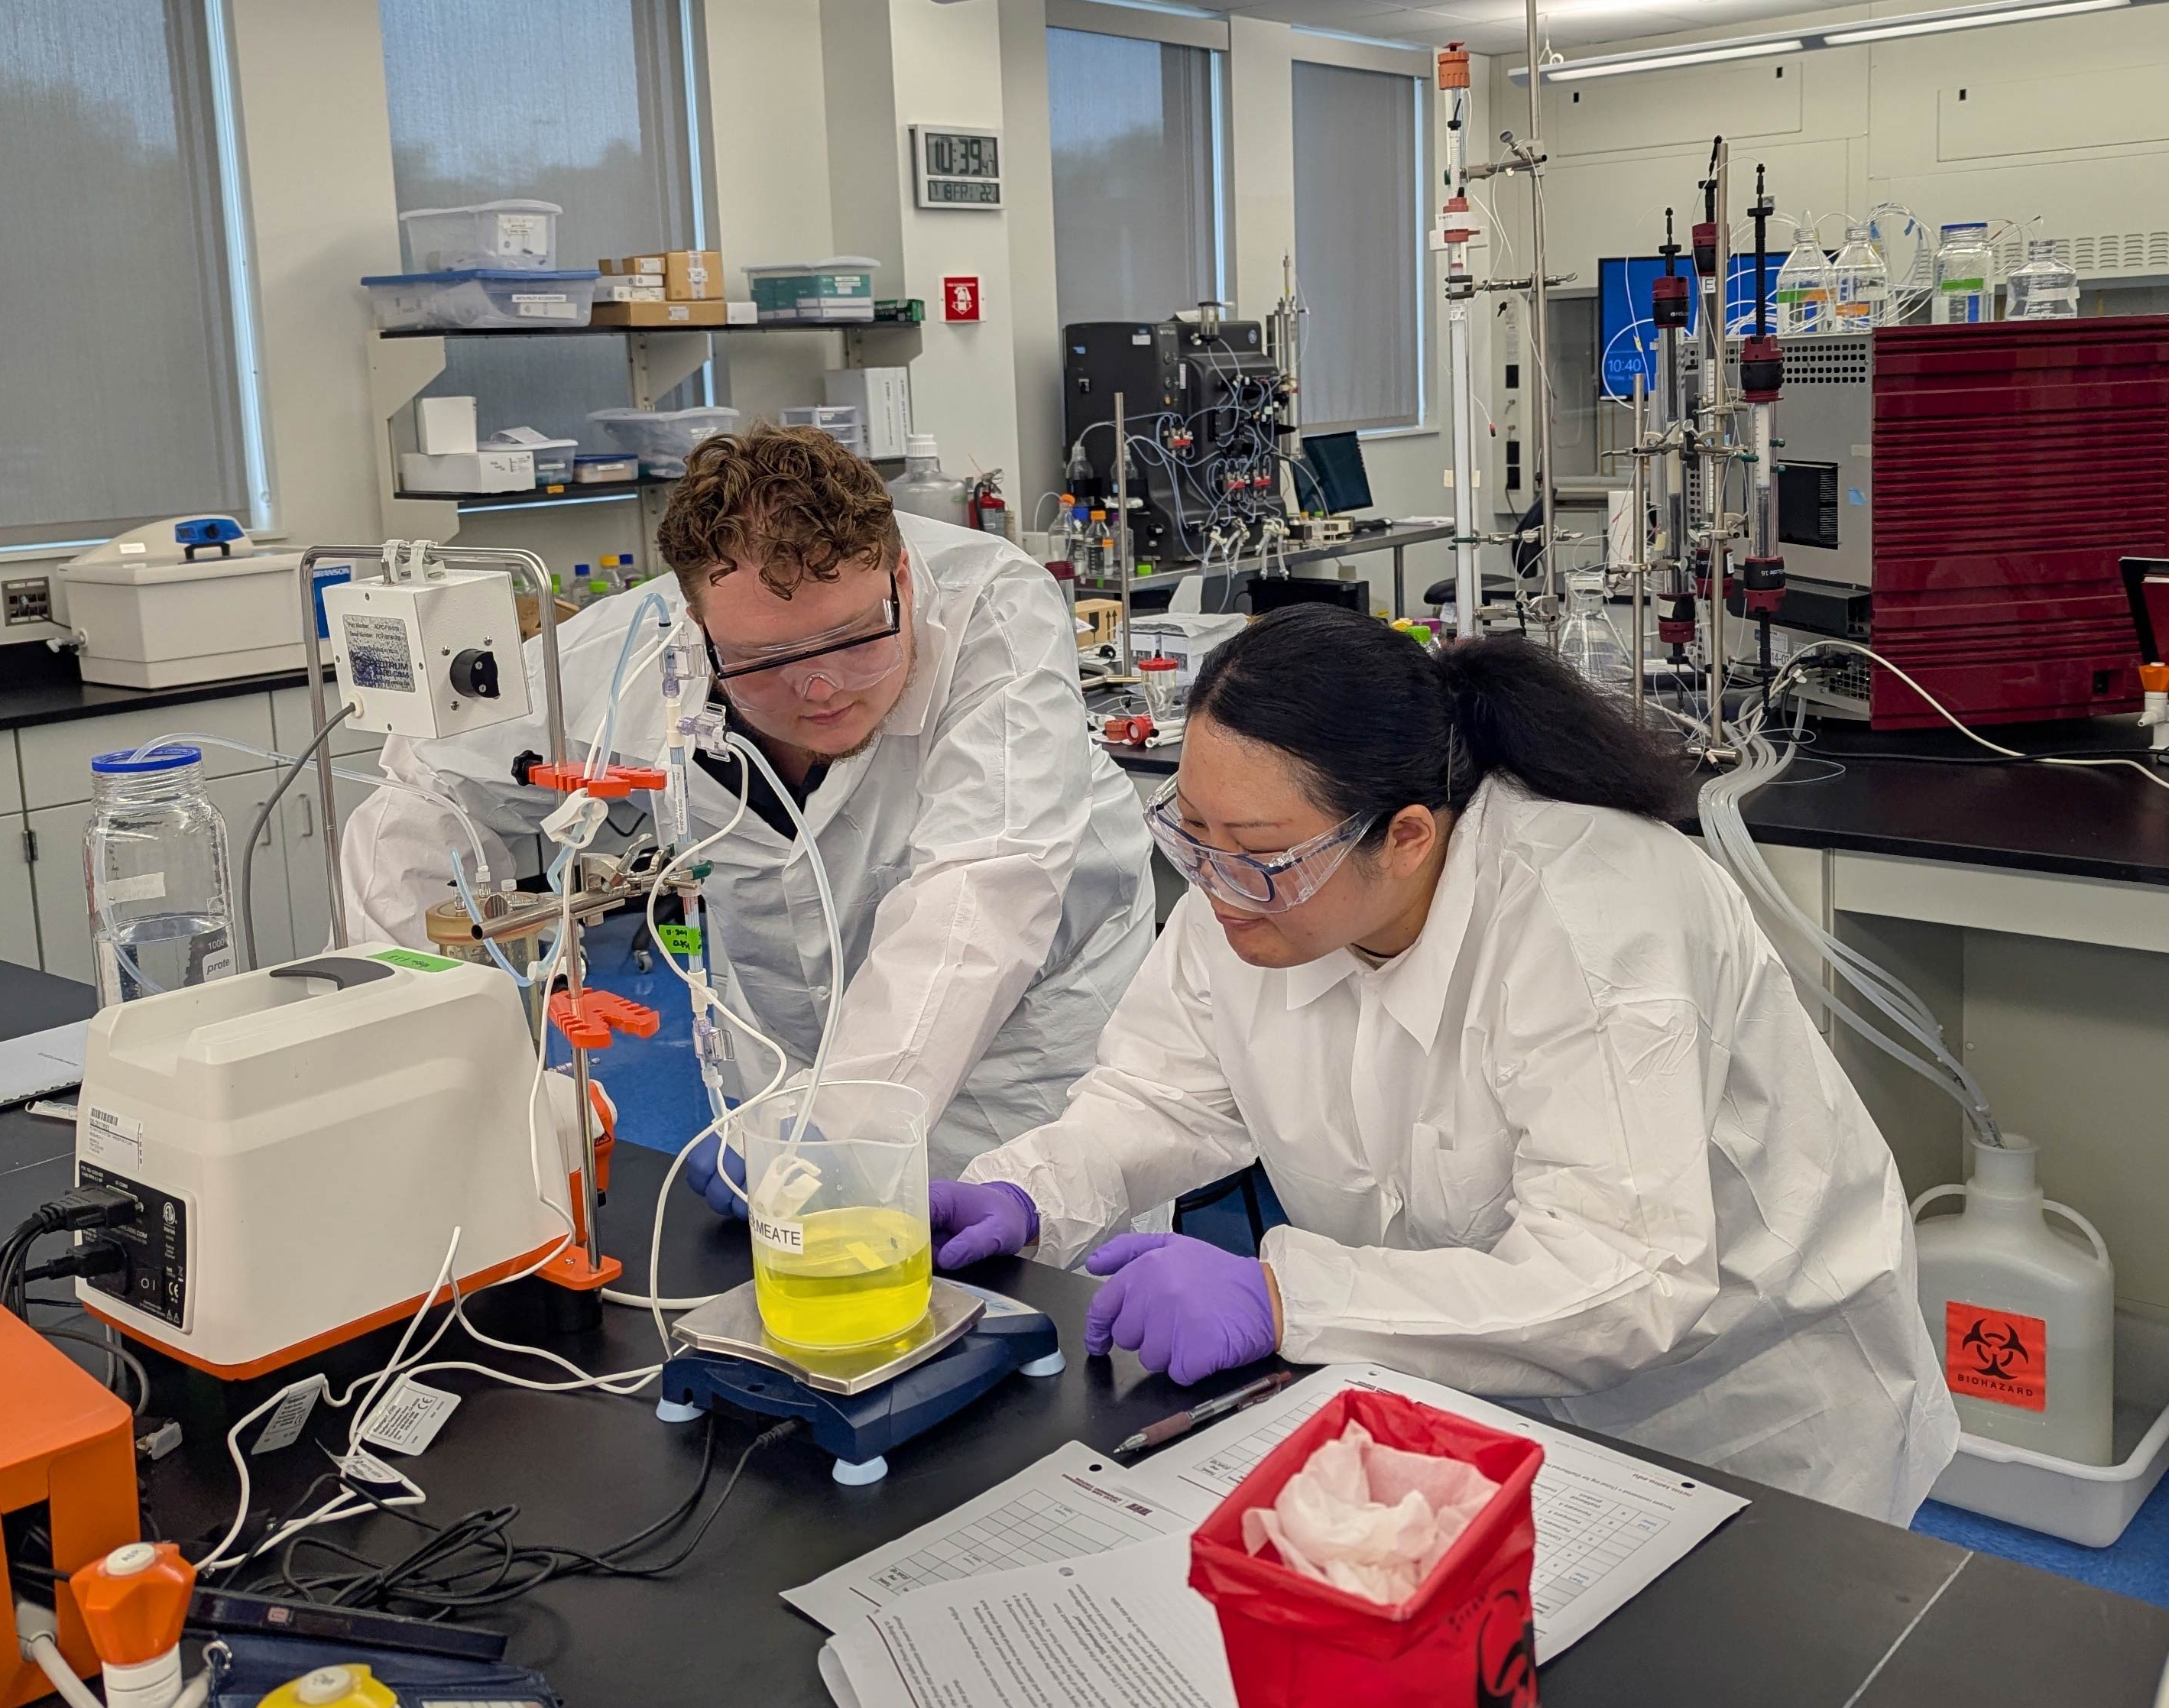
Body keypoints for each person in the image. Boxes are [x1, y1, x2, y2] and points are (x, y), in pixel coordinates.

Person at [931, 604, 1960, 1522]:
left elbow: (1625, 1277)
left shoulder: (1591, 922)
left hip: (1737, 1412)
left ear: (1409, 837)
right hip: (1462, 1395)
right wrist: (1030, 1189)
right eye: (1191, 833)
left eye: (1254, 850)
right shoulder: (1251, 890)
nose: (1215, 884)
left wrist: (1288, 1299)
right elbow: (1166, 1092)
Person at [342, 423, 1153, 1177]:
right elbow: (424, 786)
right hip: (781, 1058)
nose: (820, 686)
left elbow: (979, 898)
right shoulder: (637, 648)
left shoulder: (993, 616)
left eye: (853, 639)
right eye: (766, 659)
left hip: (1026, 1060)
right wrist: (417, 1051)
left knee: (1041, 1265)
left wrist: (830, 1138)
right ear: (695, 627)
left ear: (903, 578)